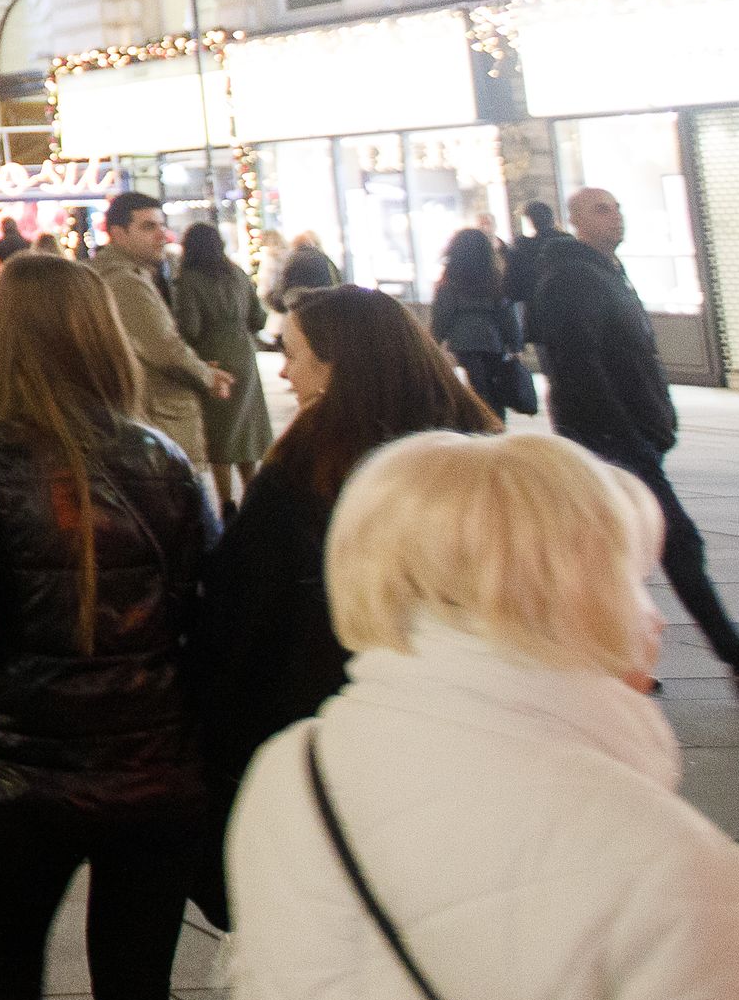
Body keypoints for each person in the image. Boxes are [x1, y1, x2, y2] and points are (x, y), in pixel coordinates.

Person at [221, 431, 739, 1000]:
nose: (657, 616)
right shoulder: (671, 866)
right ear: (578, 588)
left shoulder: (293, 773)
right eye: (633, 577)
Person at [0, 252, 216, 1000]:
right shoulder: (162, 457)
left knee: (8, 987)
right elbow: (204, 611)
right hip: (156, 770)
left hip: (29, 776)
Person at [197, 286, 495, 803]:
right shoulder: (477, 450)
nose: (285, 373)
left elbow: (242, 608)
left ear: (339, 363)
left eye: (292, 355)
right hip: (467, 717)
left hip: (328, 721)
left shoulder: (308, 467)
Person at [538, 184, 739, 703]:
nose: (616, 218)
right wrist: (626, 436)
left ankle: (608, 663)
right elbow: (579, 369)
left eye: (619, 207)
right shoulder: (572, 280)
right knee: (677, 543)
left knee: (613, 550)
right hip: (608, 439)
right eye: (603, 210)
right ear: (576, 220)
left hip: (624, 438)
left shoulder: (606, 275)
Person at [85, 188, 230, 458]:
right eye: (148, 227)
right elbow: (164, 348)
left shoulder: (116, 274)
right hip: (158, 417)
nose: (162, 235)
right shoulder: (126, 281)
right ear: (118, 234)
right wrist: (207, 376)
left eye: (162, 225)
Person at [169, 219, 273, 506]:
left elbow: (189, 327)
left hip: (213, 359)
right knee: (246, 431)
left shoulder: (188, 280)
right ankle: (252, 497)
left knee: (220, 435)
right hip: (244, 355)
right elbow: (259, 318)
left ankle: (227, 503)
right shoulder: (237, 274)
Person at [428, 227, 533, 420]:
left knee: (477, 383)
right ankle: (496, 418)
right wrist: (516, 343)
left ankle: (483, 418)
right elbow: (507, 312)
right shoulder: (493, 278)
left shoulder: (451, 280)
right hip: (493, 340)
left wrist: (434, 340)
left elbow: (443, 313)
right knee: (493, 382)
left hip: (463, 341)